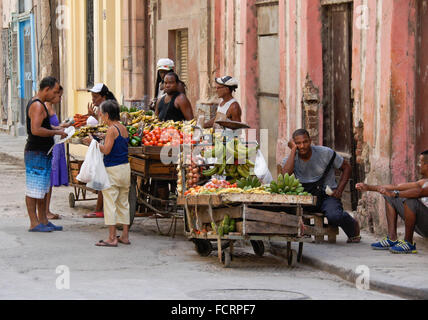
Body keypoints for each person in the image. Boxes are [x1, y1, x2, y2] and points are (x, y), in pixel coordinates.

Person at [281, 129, 361, 243]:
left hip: (327, 196)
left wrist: (339, 190)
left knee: (334, 216)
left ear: (311, 141)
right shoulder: (291, 159)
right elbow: (285, 175)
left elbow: (347, 167)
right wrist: (293, 150)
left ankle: (353, 226)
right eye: (298, 143)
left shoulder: (325, 153)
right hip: (306, 197)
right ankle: (306, 230)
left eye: (305, 142)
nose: (302, 146)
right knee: (284, 211)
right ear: (294, 144)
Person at [356, 150, 428, 254]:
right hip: (423, 224)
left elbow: (419, 192)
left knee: (410, 200)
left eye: (421, 162)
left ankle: (408, 243)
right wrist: (368, 187)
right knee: (389, 195)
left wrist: (397, 194)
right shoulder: (423, 181)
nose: (419, 165)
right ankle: (392, 238)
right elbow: (397, 187)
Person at [83, 100, 131, 247]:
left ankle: (112, 237)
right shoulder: (123, 128)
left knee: (110, 203)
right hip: (125, 168)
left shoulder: (111, 129)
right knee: (123, 202)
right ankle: (124, 236)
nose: (101, 117)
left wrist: (93, 143)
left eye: (102, 114)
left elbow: (107, 150)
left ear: (107, 115)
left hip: (113, 169)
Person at [25, 76, 67, 232]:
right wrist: (53, 133)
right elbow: (36, 129)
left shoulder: (41, 104)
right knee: (33, 188)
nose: (56, 96)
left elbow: (45, 126)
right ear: (47, 89)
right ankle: (34, 222)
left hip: (43, 151)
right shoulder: (37, 105)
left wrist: (58, 130)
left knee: (43, 188)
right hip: (36, 152)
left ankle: (43, 219)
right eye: (55, 92)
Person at [84, 83, 118, 218]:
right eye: (92, 96)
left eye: (95, 96)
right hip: (103, 143)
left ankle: (99, 209)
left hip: (106, 146)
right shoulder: (102, 107)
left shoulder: (108, 107)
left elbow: (106, 127)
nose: (93, 99)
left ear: (103, 96)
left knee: (102, 176)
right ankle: (99, 208)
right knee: (100, 176)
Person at [45, 86, 70, 220]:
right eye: (59, 95)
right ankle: (45, 211)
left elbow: (52, 125)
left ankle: (47, 209)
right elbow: (45, 127)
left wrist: (62, 126)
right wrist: (59, 129)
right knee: (48, 178)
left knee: (49, 180)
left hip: (56, 143)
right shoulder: (46, 107)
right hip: (52, 145)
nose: (60, 98)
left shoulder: (51, 107)